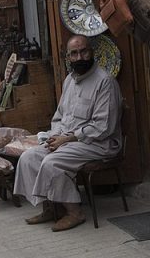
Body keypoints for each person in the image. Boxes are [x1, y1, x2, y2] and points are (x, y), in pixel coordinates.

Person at [13, 34, 123, 232]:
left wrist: (68, 139)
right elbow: (59, 116)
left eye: (84, 51)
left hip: (97, 143)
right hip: (68, 140)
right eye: (74, 53)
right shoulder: (69, 81)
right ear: (68, 57)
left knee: (52, 162)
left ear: (92, 52)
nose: (80, 57)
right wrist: (55, 137)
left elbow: (103, 126)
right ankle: (50, 208)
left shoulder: (105, 82)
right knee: (29, 157)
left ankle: (74, 212)